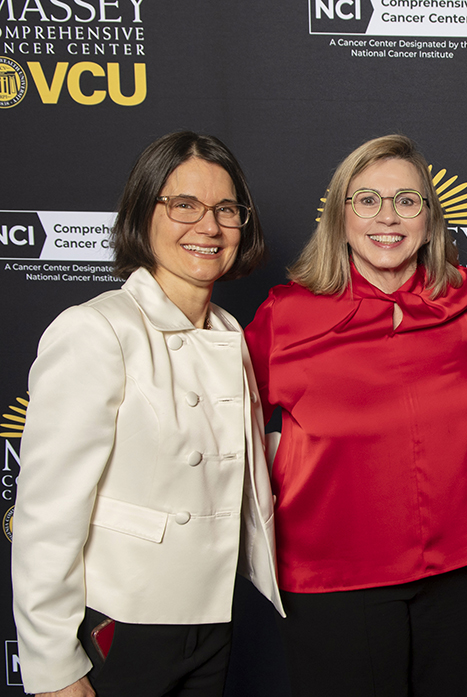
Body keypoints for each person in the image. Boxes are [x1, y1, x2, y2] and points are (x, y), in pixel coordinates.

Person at [12, 131, 283, 697]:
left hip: (212, 621)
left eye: (226, 209)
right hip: (121, 624)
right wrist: (54, 666)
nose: (208, 227)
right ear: (143, 212)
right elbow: (47, 513)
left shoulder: (231, 334)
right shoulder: (96, 330)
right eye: (184, 205)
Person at [244, 134, 467, 696]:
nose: (388, 216)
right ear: (340, 216)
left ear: (431, 220)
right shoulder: (287, 315)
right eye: (367, 200)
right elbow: (219, 426)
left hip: (451, 572)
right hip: (334, 576)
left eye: (408, 200)